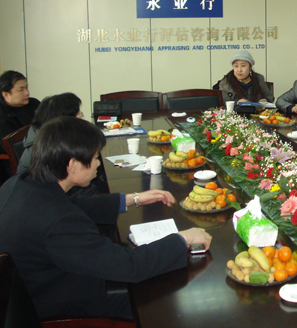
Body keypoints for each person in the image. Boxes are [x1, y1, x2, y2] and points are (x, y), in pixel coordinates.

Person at [0, 116, 212, 320]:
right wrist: (183, 239)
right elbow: (129, 266)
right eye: (94, 158)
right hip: (66, 310)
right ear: (72, 164)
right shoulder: (60, 223)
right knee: (166, 301)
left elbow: (74, 205)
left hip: (35, 293)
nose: (97, 164)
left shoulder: (20, 183)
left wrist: (132, 199)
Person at [18, 92, 84, 174]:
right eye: (78, 113)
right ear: (64, 119)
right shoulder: (47, 146)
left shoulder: (55, 134)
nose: (81, 117)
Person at [0, 70, 40, 182]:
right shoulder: (2, 116)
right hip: (13, 166)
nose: (27, 93)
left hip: (40, 154)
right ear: (5, 94)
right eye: (21, 89)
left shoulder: (33, 104)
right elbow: (13, 150)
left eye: (26, 88)